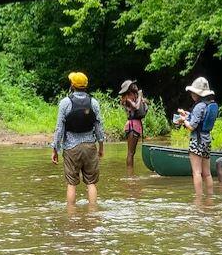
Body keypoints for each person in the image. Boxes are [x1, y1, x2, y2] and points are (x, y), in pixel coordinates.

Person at [50, 71, 106, 206]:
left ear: (72, 85)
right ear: (85, 86)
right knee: (91, 183)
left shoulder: (64, 103)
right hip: (90, 146)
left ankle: (71, 217)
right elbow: (99, 127)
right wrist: (101, 147)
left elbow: (59, 128)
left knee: (71, 184)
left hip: (71, 148)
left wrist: (55, 150)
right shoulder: (94, 103)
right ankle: (93, 214)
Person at [173, 76, 219, 195]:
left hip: (197, 141)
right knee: (207, 173)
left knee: (197, 172)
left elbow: (192, 126)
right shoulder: (210, 104)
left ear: (198, 94)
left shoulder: (199, 106)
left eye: (193, 92)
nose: (191, 94)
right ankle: (210, 197)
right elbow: (200, 119)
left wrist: (183, 120)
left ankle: (198, 198)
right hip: (207, 140)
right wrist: (187, 115)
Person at [119, 80, 149, 170]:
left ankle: (131, 172)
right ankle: (130, 175)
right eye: (133, 85)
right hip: (132, 126)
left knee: (132, 152)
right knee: (130, 153)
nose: (135, 86)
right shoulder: (127, 98)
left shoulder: (133, 96)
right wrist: (140, 96)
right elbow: (136, 107)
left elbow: (144, 104)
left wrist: (142, 99)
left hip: (136, 125)